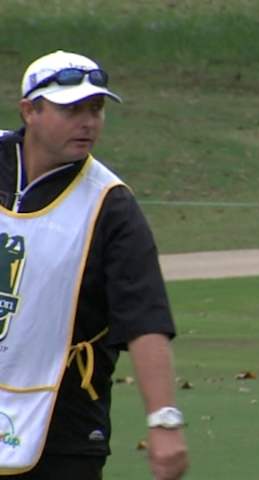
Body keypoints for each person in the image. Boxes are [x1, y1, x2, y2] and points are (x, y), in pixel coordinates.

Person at [0, 50, 188, 479]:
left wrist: (164, 420)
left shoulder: (111, 204)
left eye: (96, 108)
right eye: (71, 109)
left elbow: (144, 316)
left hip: (63, 425)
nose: (88, 121)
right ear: (30, 110)